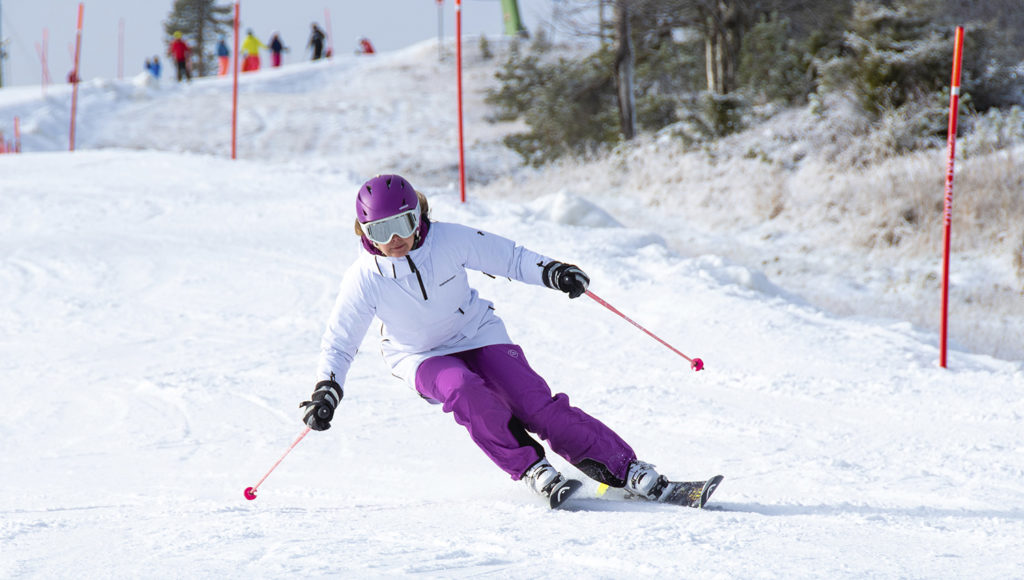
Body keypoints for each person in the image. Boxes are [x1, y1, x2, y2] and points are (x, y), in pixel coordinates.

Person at [299, 174, 696, 508]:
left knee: (536, 405)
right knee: (464, 389)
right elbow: (340, 342)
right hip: (418, 356)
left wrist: (553, 272)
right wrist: (327, 388)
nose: (395, 239)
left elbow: (509, 257)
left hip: (476, 332)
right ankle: (532, 468)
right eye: (380, 231)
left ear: (418, 217)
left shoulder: (449, 240)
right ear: (364, 232)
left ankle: (627, 470)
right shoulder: (363, 278)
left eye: (403, 224)